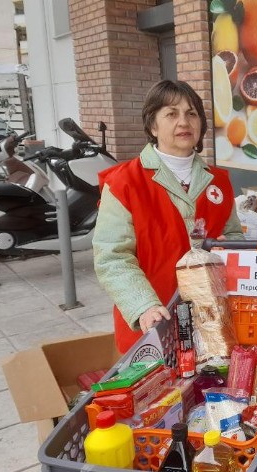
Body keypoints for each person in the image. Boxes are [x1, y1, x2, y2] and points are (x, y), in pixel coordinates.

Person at [94, 80, 244, 353]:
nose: (183, 122)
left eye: (191, 113)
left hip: (212, 322)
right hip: (154, 323)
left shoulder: (219, 181)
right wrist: (144, 306)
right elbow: (112, 256)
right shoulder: (124, 183)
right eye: (171, 114)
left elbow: (234, 236)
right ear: (153, 125)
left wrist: (228, 248)